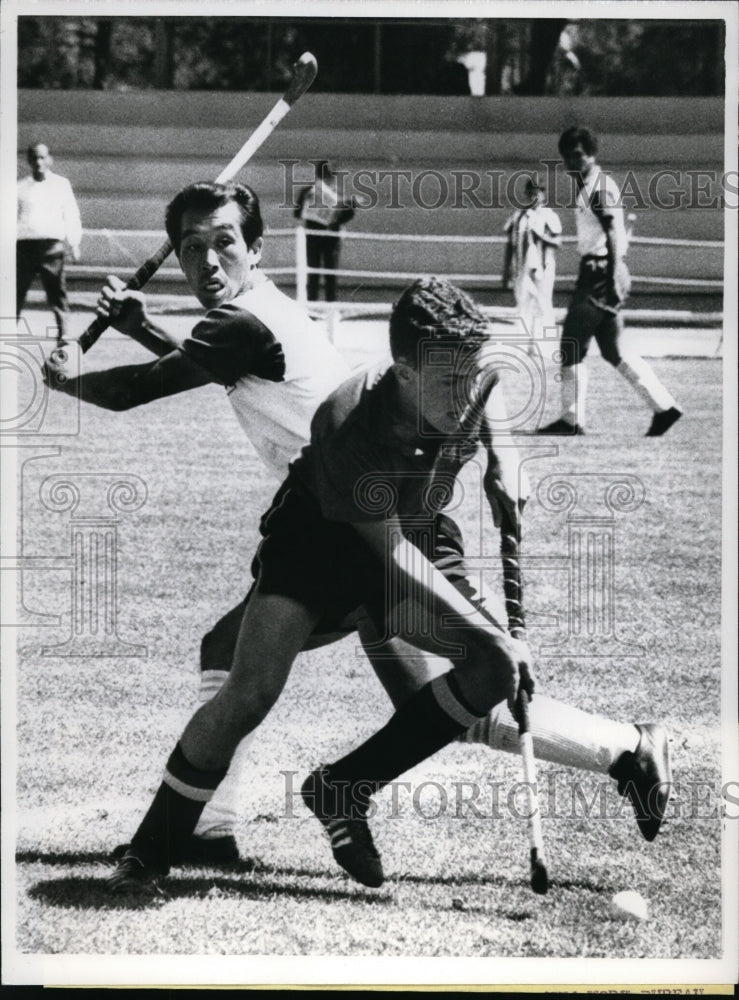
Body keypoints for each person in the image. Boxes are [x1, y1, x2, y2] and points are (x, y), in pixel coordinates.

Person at [81, 275, 672, 895]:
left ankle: (342, 790)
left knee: (492, 669)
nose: (462, 392)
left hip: (419, 529)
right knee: (249, 689)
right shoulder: (348, 420)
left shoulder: (465, 377)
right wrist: (486, 630)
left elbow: (489, 387)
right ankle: (150, 850)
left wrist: (505, 457)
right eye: (447, 382)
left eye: (466, 374)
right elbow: (387, 555)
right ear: (402, 372)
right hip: (322, 543)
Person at [537, 127, 682, 437]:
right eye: (567, 157)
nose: (572, 162)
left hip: (599, 273)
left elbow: (613, 230)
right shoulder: (592, 185)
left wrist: (614, 273)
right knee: (614, 351)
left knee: (571, 346)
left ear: (592, 155)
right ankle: (664, 407)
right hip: (603, 270)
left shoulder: (597, 188)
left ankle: (571, 419)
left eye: (578, 155)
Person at [17, 143, 82, 343]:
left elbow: (71, 214)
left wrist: (74, 243)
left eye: (42, 158)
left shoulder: (61, 184)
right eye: (34, 158)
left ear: (49, 159)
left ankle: (63, 334)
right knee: (15, 293)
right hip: (25, 248)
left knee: (57, 294)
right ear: (28, 161)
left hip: (52, 248)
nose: (38, 162)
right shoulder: (19, 187)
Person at [502, 177, 561, 354]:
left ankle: (545, 346)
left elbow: (557, 242)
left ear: (544, 195)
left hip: (544, 266)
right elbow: (509, 244)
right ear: (527, 194)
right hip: (522, 266)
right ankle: (524, 345)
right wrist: (505, 270)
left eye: (539, 192)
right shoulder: (518, 215)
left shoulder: (549, 215)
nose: (535, 196)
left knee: (544, 304)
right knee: (523, 304)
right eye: (532, 192)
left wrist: (540, 236)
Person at [294, 160, 355, 302]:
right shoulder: (310, 192)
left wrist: (348, 206)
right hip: (322, 238)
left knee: (325, 275)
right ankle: (316, 307)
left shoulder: (337, 195)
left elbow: (347, 214)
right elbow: (298, 213)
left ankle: (320, 308)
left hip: (323, 238)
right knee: (321, 274)